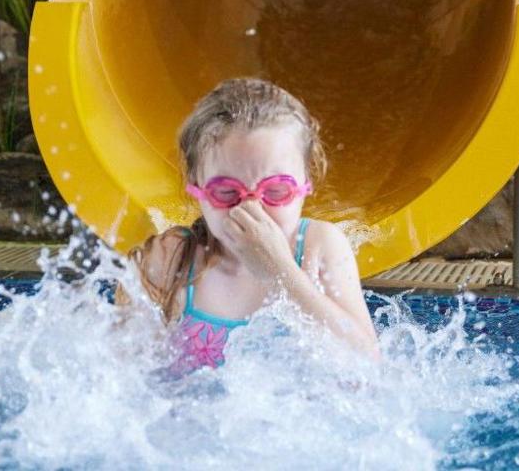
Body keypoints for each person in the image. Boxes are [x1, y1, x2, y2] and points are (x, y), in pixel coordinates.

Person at [119, 78, 379, 373]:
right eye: (227, 192)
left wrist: (281, 272)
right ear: (196, 187)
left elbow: (367, 370)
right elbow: (121, 385)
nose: (251, 208)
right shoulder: (171, 259)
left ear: (307, 181)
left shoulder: (319, 248)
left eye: (276, 190)